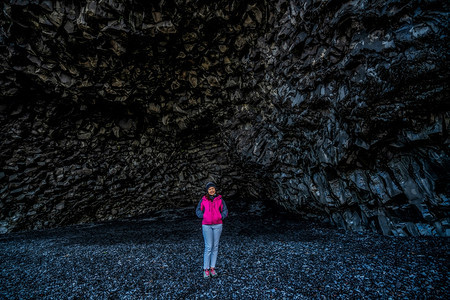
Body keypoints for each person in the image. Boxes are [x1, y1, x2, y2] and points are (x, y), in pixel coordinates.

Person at [196, 182, 228, 278]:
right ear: (207, 190)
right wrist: (204, 216)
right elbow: (198, 210)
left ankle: (212, 268)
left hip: (218, 225)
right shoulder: (204, 199)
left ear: (215, 189)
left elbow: (225, 210)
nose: (211, 190)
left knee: (215, 246)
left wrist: (220, 217)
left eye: (213, 188)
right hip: (207, 225)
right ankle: (206, 269)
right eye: (210, 189)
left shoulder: (220, 199)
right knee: (209, 246)